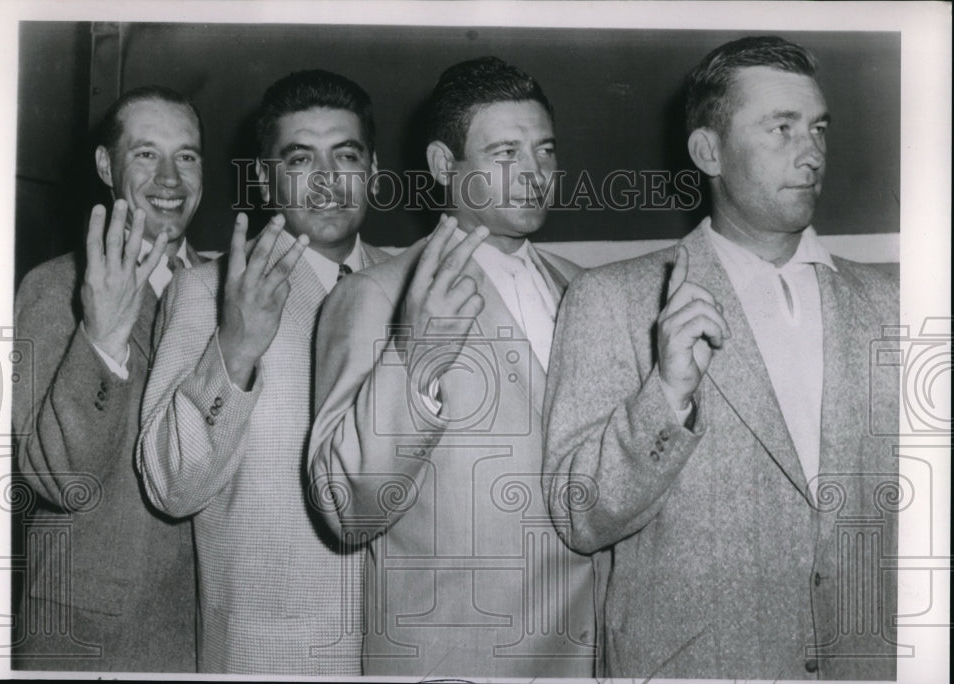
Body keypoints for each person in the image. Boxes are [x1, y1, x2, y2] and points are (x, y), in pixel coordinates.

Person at [543, 36, 899, 680]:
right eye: (781, 128)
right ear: (709, 151)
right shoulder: (610, 299)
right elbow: (577, 515)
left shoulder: (895, 301)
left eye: (818, 127)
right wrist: (666, 397)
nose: (812, 151)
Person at [308, 56, 600, 677]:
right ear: (446, 166)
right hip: (451, 662)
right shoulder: (374, 295)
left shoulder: (591, 291)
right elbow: (345, 509)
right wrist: (415, 357)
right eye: (504, 153)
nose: (534, 172)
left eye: (544, 150)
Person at [136, 70, 391, 675]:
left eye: (346, 156)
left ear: (373, 172)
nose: (328, 181)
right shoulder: (208, 291)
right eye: (301, 160)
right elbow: (170, 485)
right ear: (265, 179)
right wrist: (234, 351)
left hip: (407, 648)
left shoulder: (417, 285)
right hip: (272, 656)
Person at [13, 86, 208, 672]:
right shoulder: (54, 288)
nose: (170, 177)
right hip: (92, 636)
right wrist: (102, 340)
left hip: (211, 628)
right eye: (146, 154)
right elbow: (57, 478)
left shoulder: (228, 290)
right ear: (106, 165)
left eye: (188, 156)